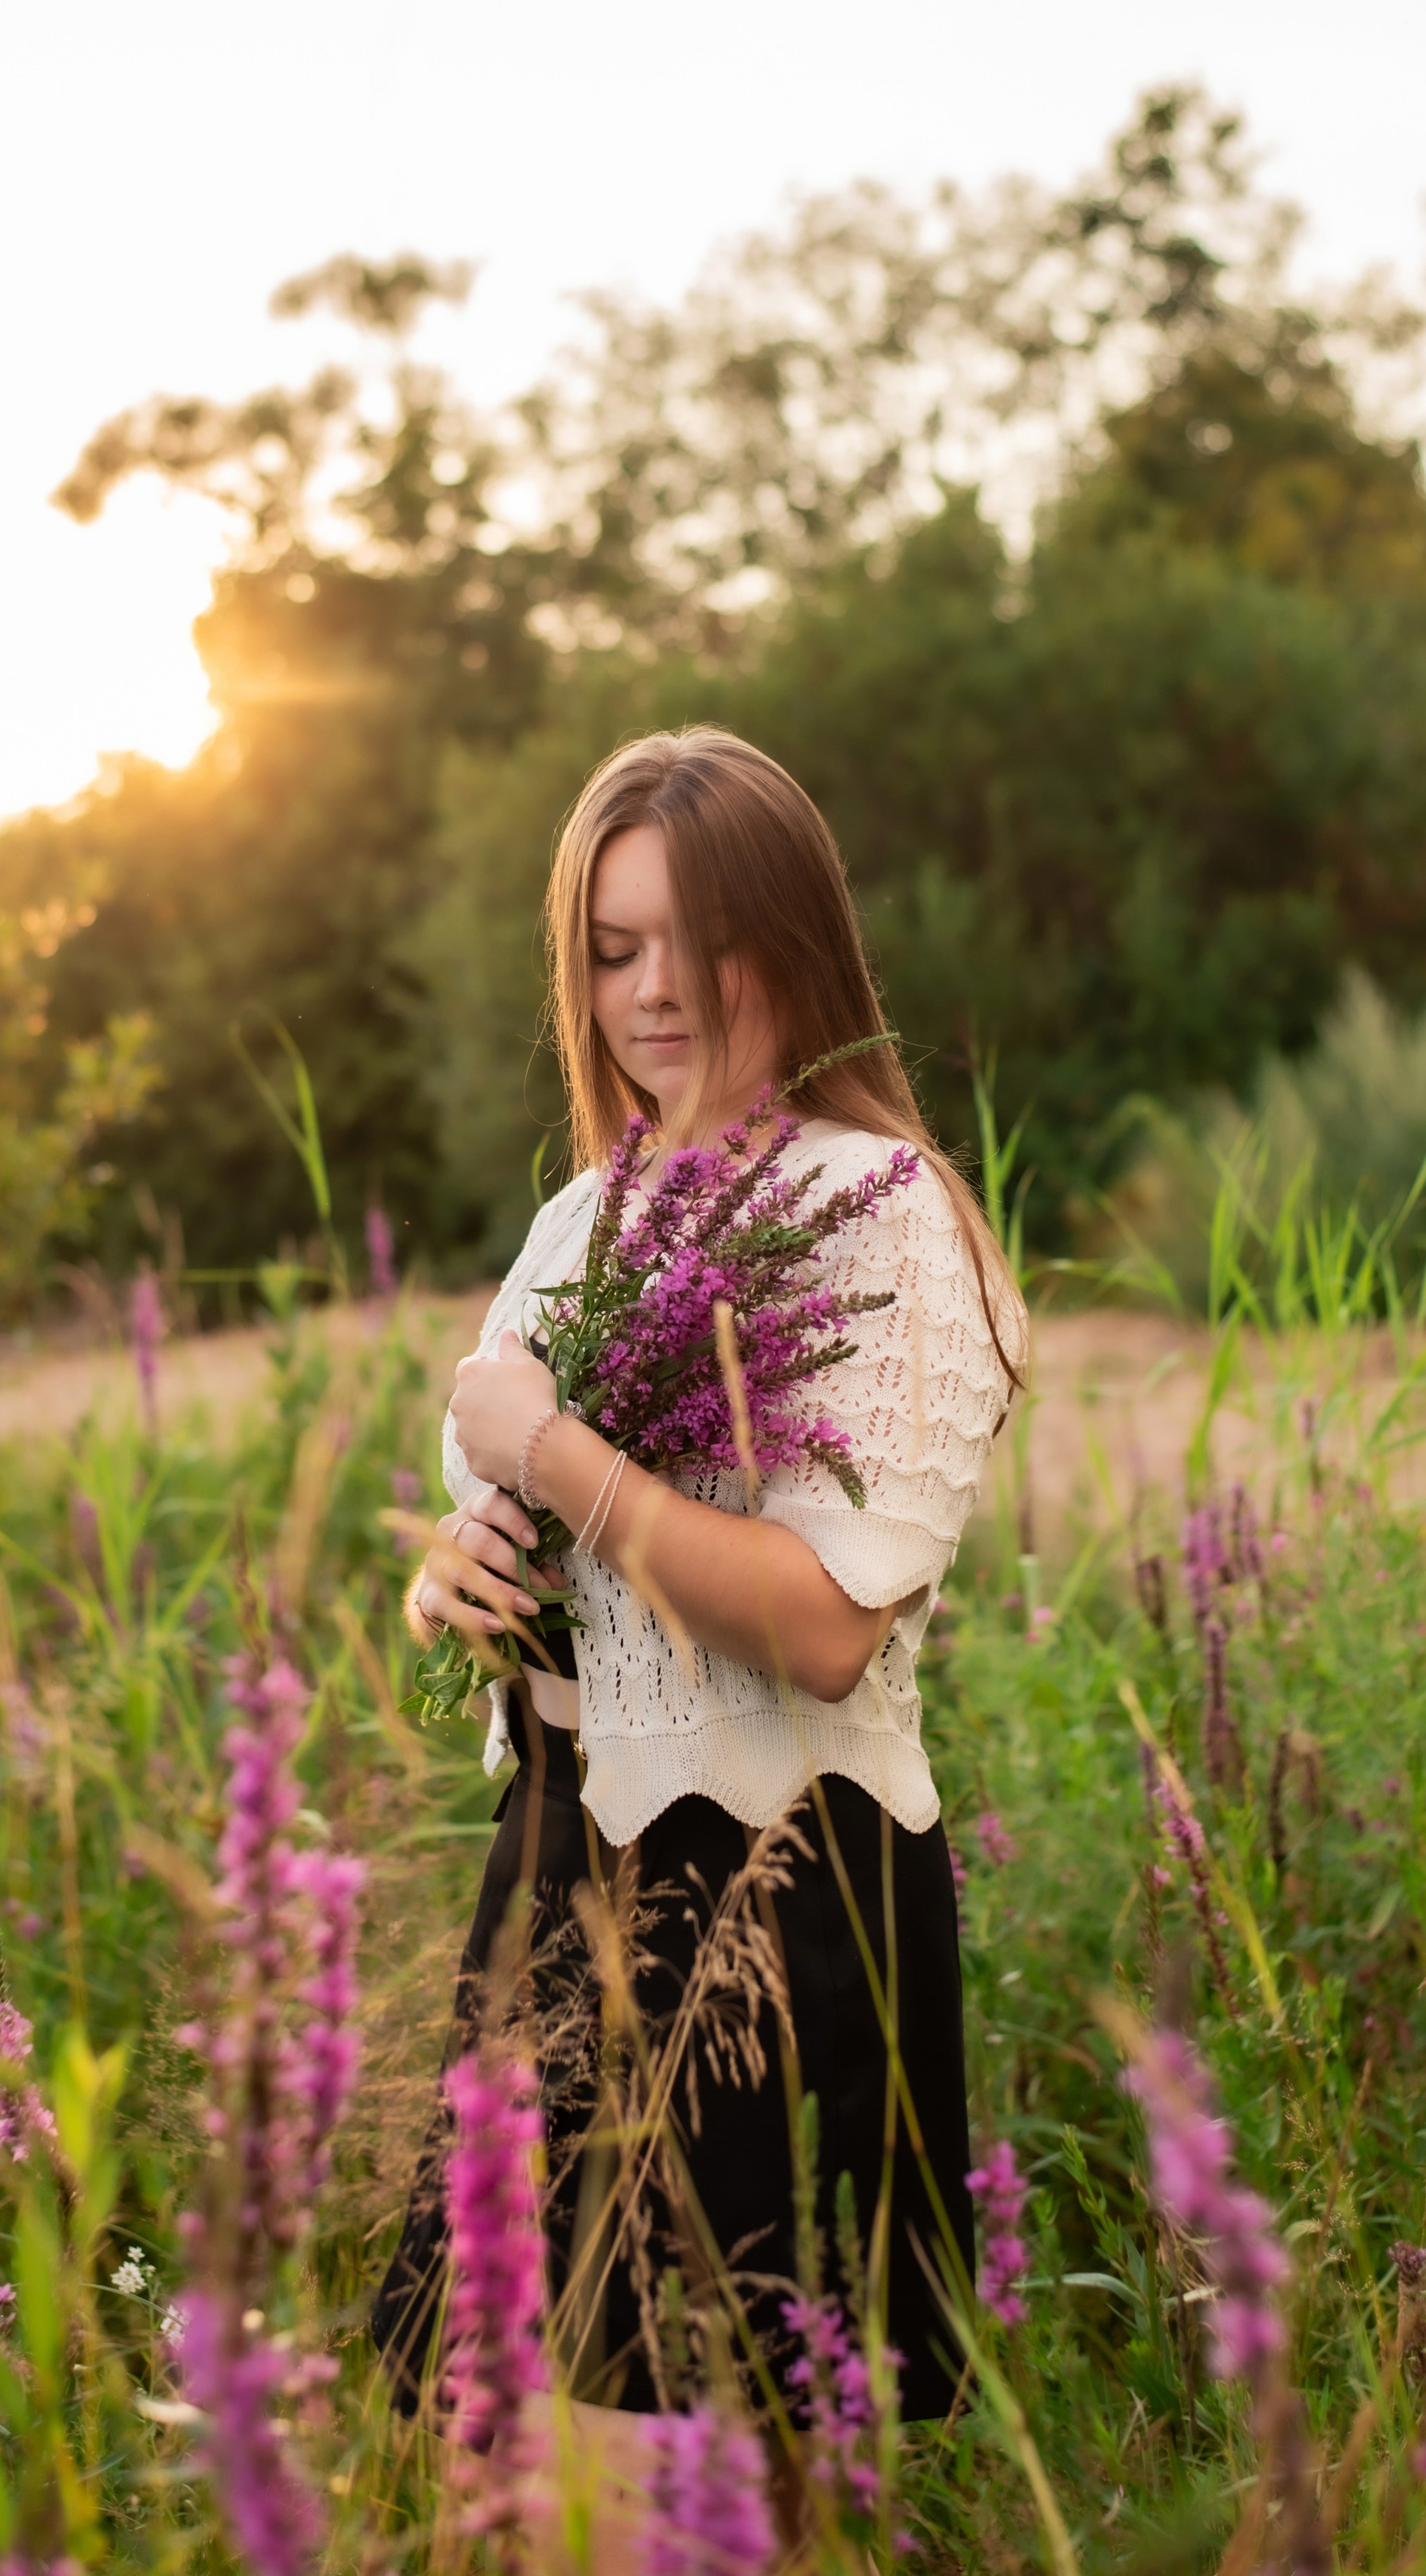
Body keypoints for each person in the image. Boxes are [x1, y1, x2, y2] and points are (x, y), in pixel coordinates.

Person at [371, 726, 1025, 2463]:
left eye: (695, 937)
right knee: (491, 2462)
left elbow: (821, 1624)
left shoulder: (882, 1215)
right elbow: (494, 1576)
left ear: (793, 938)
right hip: (553, 1868)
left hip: (769, 1883)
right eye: (607, 949)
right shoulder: (574, 1224)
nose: (650, 991)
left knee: (702, 2484)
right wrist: (462, 1572)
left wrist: (559, 1456)